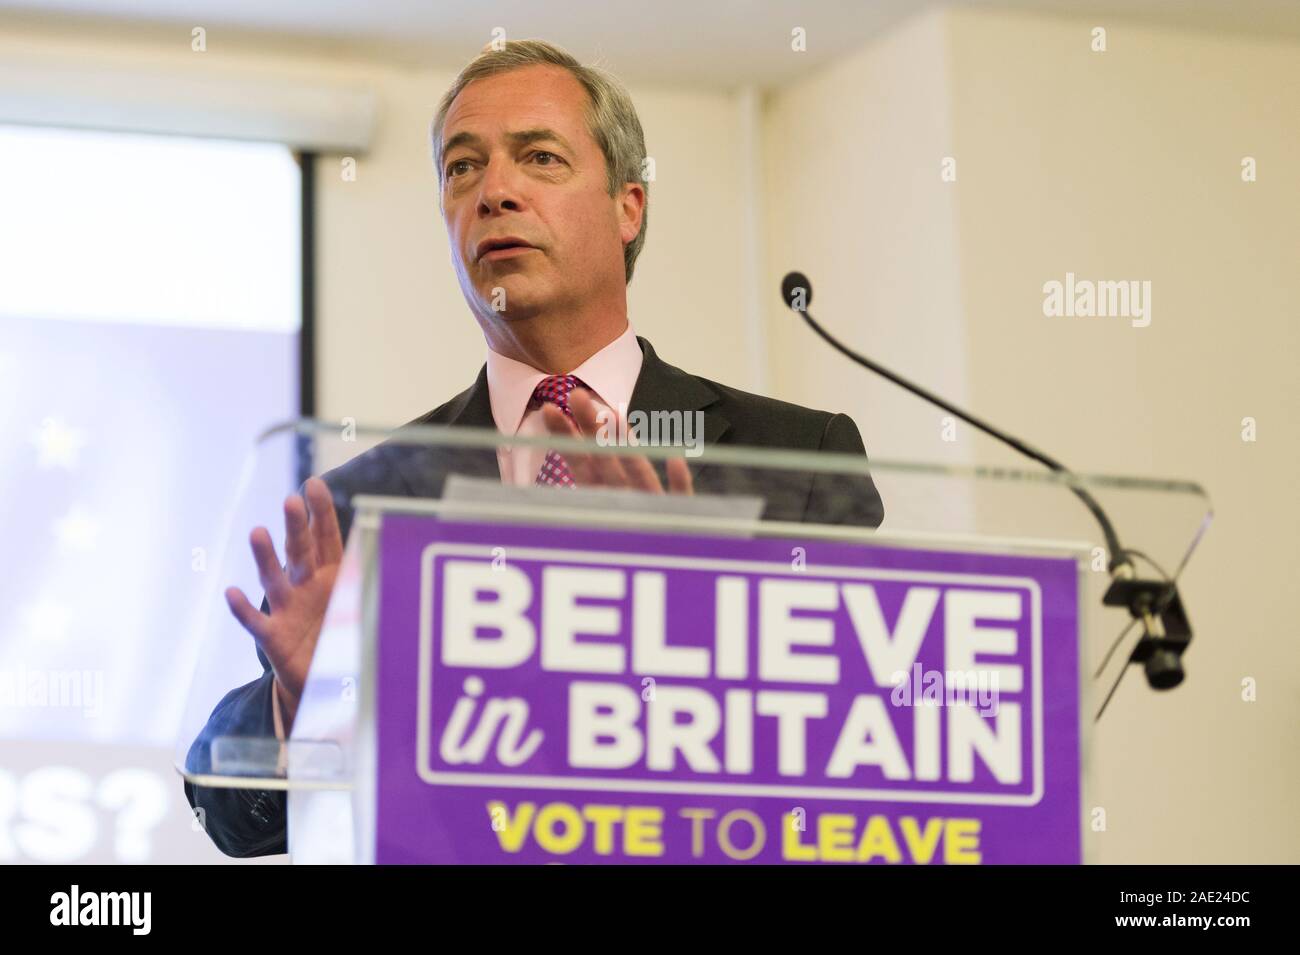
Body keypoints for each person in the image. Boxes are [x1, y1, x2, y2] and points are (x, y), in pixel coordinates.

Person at [184, 38, 884, 858]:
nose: (493, 192)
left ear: (630, 206)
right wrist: (309, 700)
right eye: (462, 168)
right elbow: (227, 807)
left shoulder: (795, 457)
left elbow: (872, 741)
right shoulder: (366, 498)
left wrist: (697, 620)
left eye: (539, 158)